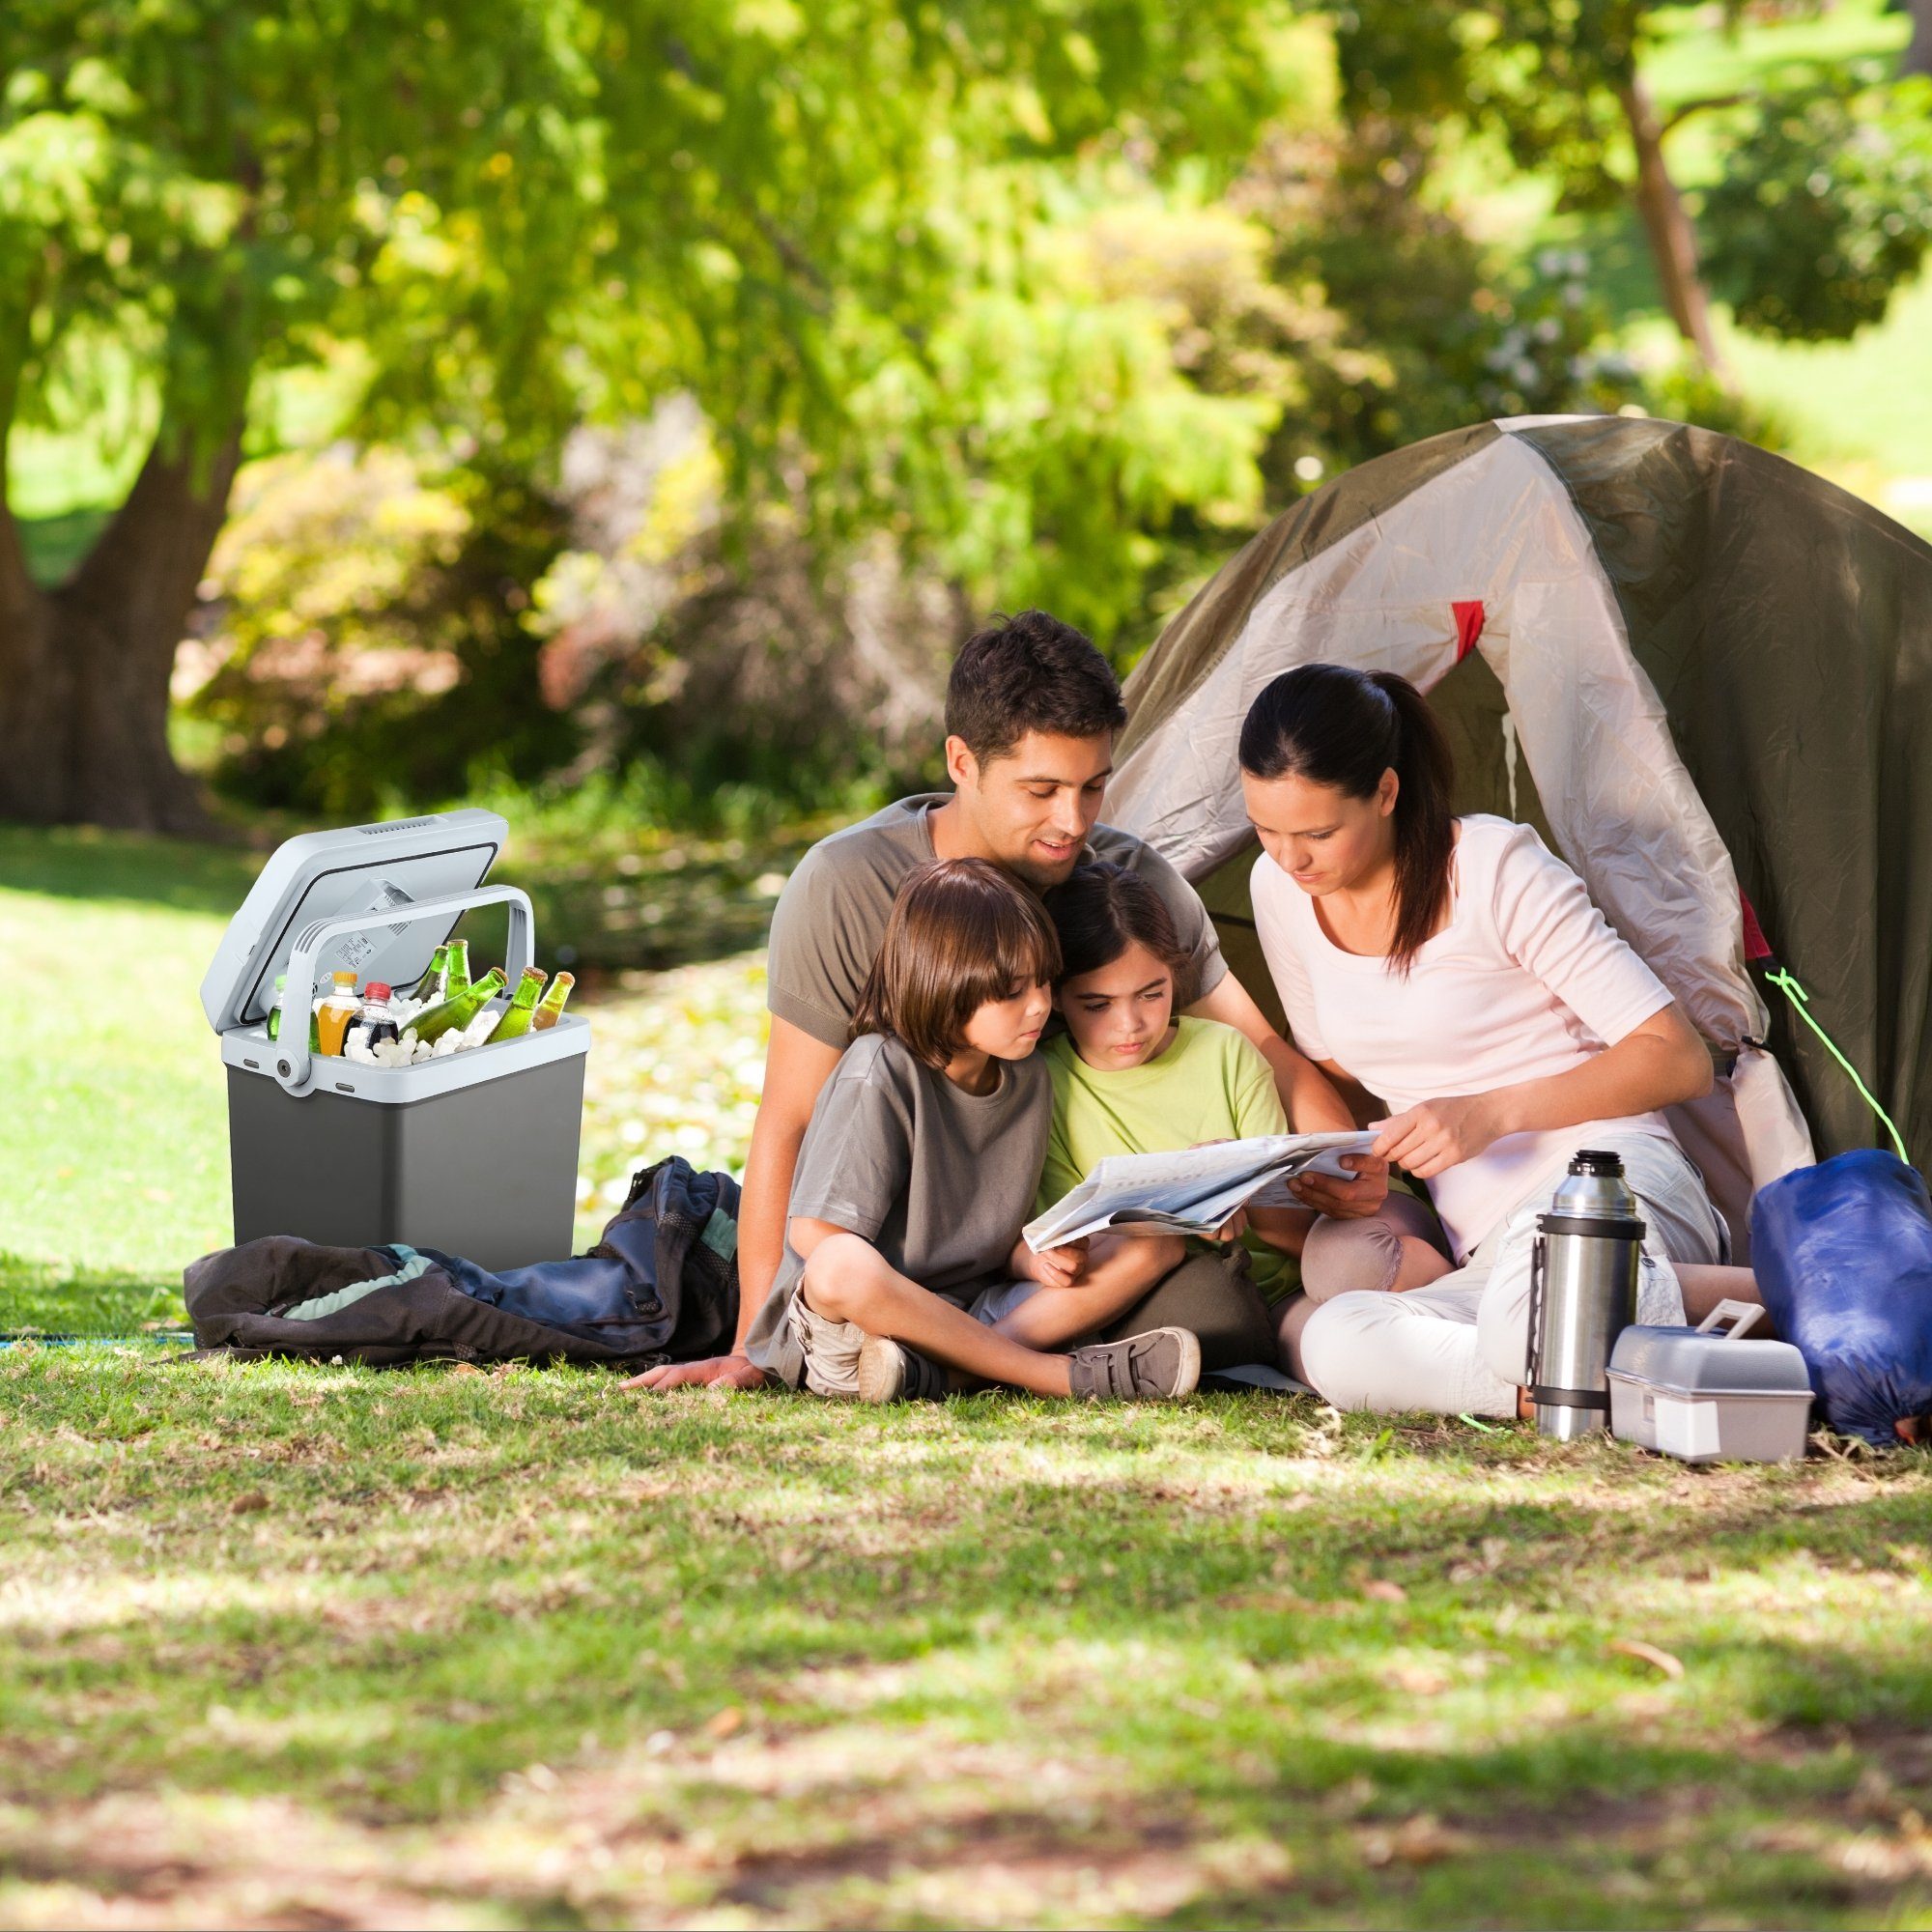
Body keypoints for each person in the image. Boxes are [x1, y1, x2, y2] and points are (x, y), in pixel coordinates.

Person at [633, 610, 1384, 1394]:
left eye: (1094, 786)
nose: (1074, 821)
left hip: (1034, 1258)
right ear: (963, 761)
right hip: (896, 1250)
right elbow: (788, 1117)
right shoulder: (846, 888)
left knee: (1193, 1293)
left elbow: (1269, 1055)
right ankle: (1026, 1369)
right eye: (1042, 789)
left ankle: (944, 1361)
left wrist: (1345, 1173)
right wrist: (756, 1346)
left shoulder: (1125, 883)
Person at [1238, 662, 1743, 1417]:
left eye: (1317, 832)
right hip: (1491, 1253)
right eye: (1265, 829)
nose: (1290, 857)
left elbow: (1676, 1057)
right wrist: (1362, 1166)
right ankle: (1549, 1382)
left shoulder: (1492, 868)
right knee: (1335, 1332)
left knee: (1532, 1300)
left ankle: (1766, 1298)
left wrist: (1490, 1113)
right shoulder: (1278, 890)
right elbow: (1342, 1068)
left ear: (1384, 792)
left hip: (1606, 1183)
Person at [737, 858, 1202, 1403]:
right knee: (842, 1262)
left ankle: (948, 1374)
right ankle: (1055, 1376)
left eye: (1044, 982)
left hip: (969, 1311)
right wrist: (918, 1310)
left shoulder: (1028, 1075)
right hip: (849, 1334)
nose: (1039, 1006)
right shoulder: (880, 1070)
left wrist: (1032, 1257)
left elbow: (991, 1237)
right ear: (944, 986)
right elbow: (813, 1237)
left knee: (1157, 1246)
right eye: (1011, 992)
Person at [1023, 862, 1300, 1369]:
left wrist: (1233, 1186)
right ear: (1057, 997)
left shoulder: (1226, 1053)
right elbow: (1075, 1240)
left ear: (1176, 976)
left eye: (1152, 994)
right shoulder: (1047, 1082)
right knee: (1210, 1309)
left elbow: (1287, 1224)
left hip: (1273, 1288)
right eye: (1098, 1005)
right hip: (1146, 1291)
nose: (1130, 1025)